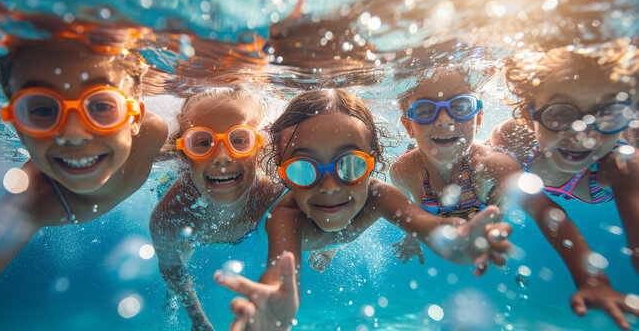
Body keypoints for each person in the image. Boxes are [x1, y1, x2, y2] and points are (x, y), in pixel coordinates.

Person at [215, 88, 514, 330]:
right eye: (304, 170)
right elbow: (279, 276)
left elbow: (431, 227)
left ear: (372, 163)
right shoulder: (286, 216)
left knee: (336, 228)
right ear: (282, 172)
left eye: (351, 165)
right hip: (297, 223)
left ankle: (330, 243)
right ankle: (331, 243)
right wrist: (275, 314)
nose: (330, 186)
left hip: (336, 222)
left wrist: (461, 238)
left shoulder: (377, 195)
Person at [490, 42, 639, 329]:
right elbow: (539, 206)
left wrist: (594, 281)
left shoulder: (623, 161)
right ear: (527, 113)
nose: (582, 133)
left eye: (607, 114)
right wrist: (591, 280)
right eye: (560, 114)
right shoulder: (511, 138)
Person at [0, 35, 167, 276]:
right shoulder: (30, 202)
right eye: (43, 110)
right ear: (19, 129)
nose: (74, 134)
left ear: (135, 118)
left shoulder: (153, 133)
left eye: (101, 106)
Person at [149, 85, 284, 331]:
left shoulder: (272, 194)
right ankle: (172, 297)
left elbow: (317, 216)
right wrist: (197, 319)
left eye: (240, 140)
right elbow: (171, 266)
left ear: (259, 146)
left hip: (239, 229)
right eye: (201, 142)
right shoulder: (171, 213)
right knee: (183, 254)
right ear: (183, 153)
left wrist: (330, 246)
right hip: (194, 231)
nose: (222, 156)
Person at [389, 66, 520, 263]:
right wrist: (413, 235)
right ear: (408, 126)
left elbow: (506, 204)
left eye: (461, 107)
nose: (444, 120)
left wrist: (487, 235)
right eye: (425, 111)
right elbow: (414, 212)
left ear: (479, 119)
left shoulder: (490, 166)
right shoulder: (404, 171)